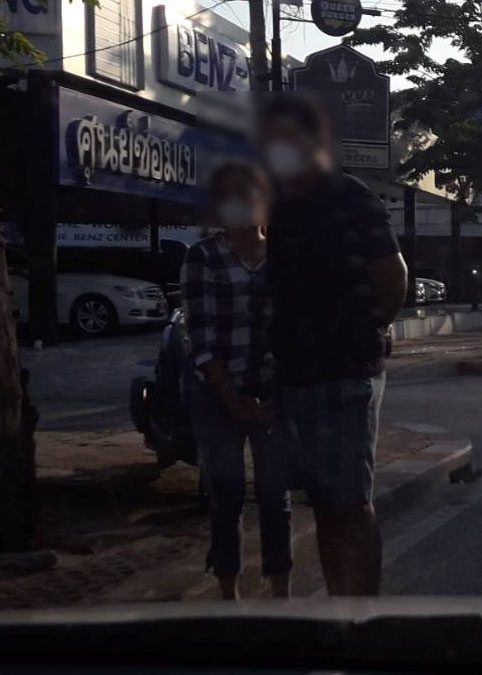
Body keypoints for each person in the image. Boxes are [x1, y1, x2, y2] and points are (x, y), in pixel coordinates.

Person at [258, 95, 408, 596]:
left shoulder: (348, 196)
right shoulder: (282, 205)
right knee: (323, 504)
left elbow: (393, 278)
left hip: (345, 374)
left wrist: (368, 330)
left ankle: (362, 616)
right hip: (294, 375)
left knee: (349, 503)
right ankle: (340, 608)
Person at [181, 162, 292, 600]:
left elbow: (292, 328)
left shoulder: (283, 257)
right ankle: (228, 592)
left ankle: (281, 590)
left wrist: (273, 391)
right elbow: (200, 335)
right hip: (215, 392)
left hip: (271, 392)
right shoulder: (202, 257)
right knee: (225, 491)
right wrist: (229, 393)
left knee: (275, 494)